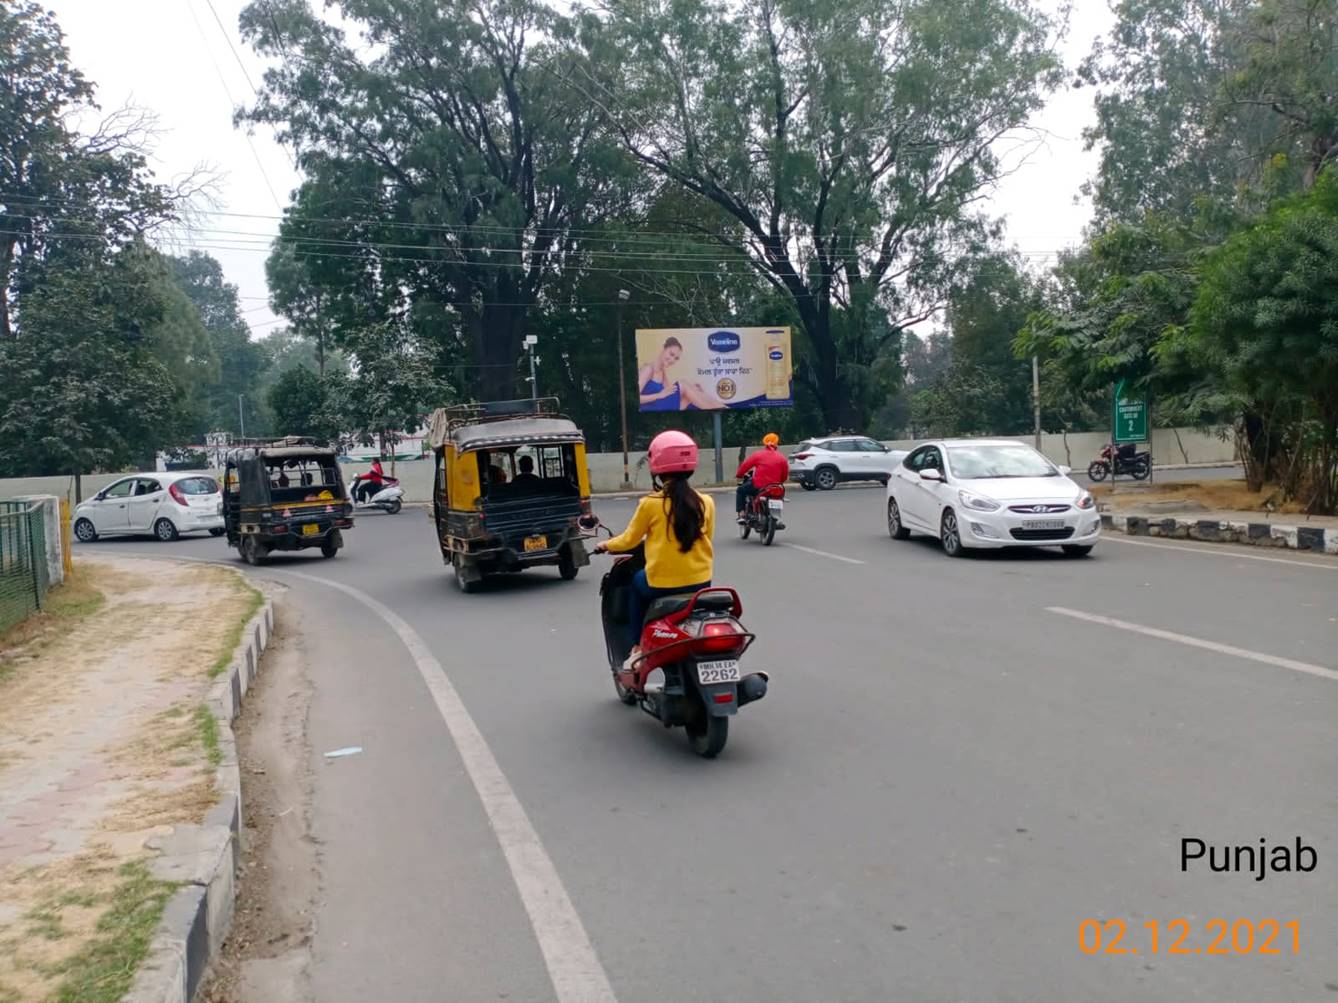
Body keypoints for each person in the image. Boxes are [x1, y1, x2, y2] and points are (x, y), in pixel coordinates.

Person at [594, 430, 715, 663]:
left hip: (661, 584)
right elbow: (706, 538)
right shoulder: (706, 502)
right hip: (702, 582)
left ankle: (638, 646)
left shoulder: (650, 504)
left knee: (637, 584)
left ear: (657, 466)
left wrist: (605, 545)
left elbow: (628, 540)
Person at [638, 337, 728, 411]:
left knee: (693, 390)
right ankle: (721, 408)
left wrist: (696, 392)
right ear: (663, 348)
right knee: (683, 384)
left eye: (676, 358)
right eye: (671, 354)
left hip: (661, 407)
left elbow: (669, 394)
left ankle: (722, 407)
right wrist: (658, 395)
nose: (672, 360)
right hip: (651, 408)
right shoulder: (648, 369)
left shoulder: (662, 371)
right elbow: (637, 399)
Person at [735, 432, 789, 523]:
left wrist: (739, 475)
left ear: (764, 443)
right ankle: (777, 518)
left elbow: (745, 466)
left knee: (740, 490)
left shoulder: (758, 455)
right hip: (776, 487)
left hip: (758, 486)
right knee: (778, 497)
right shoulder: (782, 458)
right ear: (777, 444)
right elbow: (784, 475)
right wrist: (779, 482)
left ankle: (742, 514)